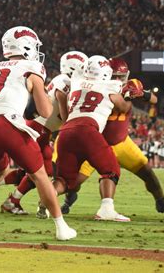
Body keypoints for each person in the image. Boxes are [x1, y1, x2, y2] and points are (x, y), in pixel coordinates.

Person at [0, 26, 76, 241]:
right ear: (27, 46)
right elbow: (45, 111)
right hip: (8, 124)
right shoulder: (32, 67)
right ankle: (61, 227)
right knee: (40, 175)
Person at [59, 59, 164, 215]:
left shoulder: (127, 84)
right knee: (74, 181)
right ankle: (69, 199)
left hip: (122, 142)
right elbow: (122, 105)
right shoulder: (102, 86)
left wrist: (142, 93)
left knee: (147, 172)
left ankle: (161, 202)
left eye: (121, 76)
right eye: (116, 76)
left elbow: (154, 99)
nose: (119, 79)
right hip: (96, 142)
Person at [0, 51, 88, 216]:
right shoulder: (65, 82)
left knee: (40, 169)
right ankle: (7, 197)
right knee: (38, 170)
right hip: (38, 129)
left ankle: (11, 199)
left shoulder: (61, 79)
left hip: (41, 130)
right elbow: (64, 116)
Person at [53, 55, 131, 222]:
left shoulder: (76, 82)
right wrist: (130, 96)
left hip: (66, 132)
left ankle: (47, 200)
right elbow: (124, 108)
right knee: (111, 170)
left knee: (64, 179)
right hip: (87, 130)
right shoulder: (110, 87)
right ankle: (106, 209)